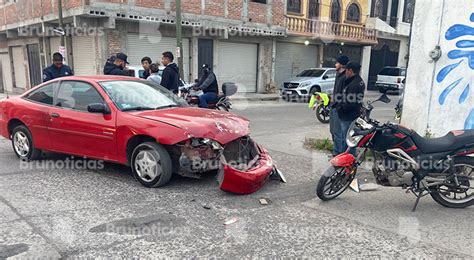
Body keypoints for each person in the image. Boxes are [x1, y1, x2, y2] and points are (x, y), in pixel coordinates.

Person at [336, 61, 366, 155]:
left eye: (346, 70)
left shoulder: (354, 84)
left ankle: (347, 161)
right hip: (350, 115)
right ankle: (346, 158)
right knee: (347, 139)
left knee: (347, 141)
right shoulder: (356, 81)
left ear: (350, 70)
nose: (345, 72)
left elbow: (350, 103)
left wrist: (339, 107)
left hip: (348, 117)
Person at [330, 55, 349, 156]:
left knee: (338, 133)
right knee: (333, 131)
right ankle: (336, 151)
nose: (335, 64)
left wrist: (339, 105)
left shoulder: (345, 77)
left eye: (337, 63)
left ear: (341, 64)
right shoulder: (338, 74)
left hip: (338, 108)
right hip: (333, 106)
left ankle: (338, 154)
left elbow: (344, 94)